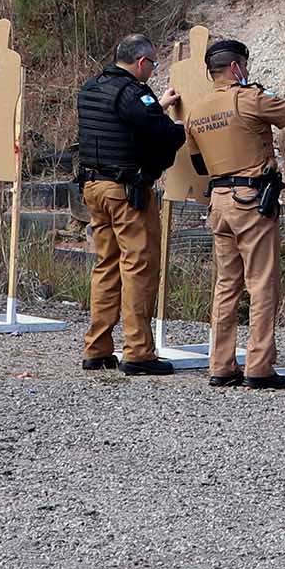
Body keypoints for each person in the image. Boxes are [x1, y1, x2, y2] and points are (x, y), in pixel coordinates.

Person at [168, 39, 285, 388]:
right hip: (251, 200)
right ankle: (259, 367)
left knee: (226, 285)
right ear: (236, 68)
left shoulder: (197, 111)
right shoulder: (249, 98)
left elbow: (200, 164)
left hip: (219, 202)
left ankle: (221, 365)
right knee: (262, 283)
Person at [73, 37, 187, 373]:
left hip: (93, 187)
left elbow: (125, 121)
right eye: (152, 64)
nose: (151, 71)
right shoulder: (135, 92)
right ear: (141, 63)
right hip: (125, 192)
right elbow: (159, 132)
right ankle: (138, 352)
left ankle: (97, 347)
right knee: (138, 266)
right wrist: (180, 130)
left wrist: (159, 105)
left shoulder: (93, 87)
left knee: (106, 264)